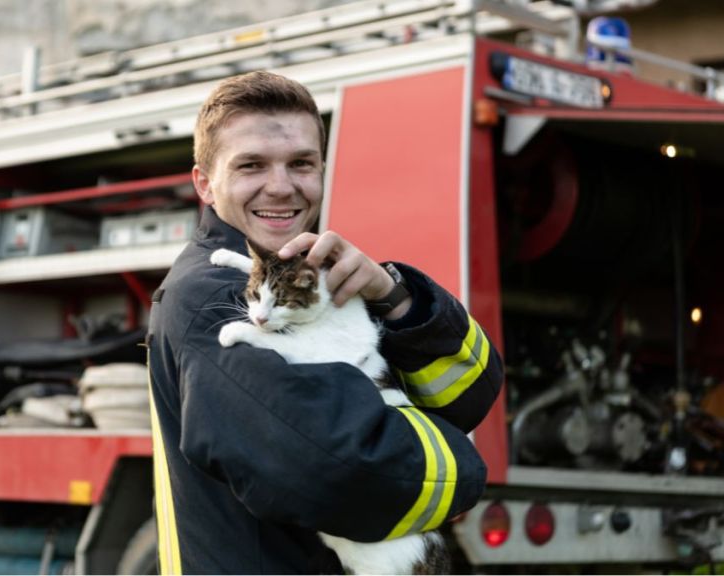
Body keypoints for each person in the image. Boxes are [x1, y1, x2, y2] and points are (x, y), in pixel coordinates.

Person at [145, 70, 503, 574]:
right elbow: (345, 471)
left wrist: (393, 298)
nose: (281, 186)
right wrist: (465, 470)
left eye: (301, 163)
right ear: (205, 183)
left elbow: (469, 393)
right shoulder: (217, 298)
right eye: (251, 165)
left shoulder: (318, 276)